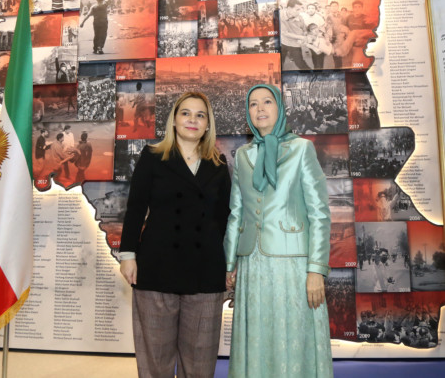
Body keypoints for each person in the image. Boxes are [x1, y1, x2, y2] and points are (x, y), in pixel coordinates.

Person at [119, 92, 231, 378]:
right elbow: (135, 209)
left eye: (200, 115)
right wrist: (128, 255)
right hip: (157, 267)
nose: (192, 120)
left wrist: (227, 265)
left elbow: (223, 220)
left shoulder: (218, 165)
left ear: (208, 125)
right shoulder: (153, 157)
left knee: (200, 362)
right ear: (174, 120)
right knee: (155, 359)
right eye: (186, 113)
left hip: (205, 273)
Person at [224, 84, 333, 378]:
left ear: (280, 108)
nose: (260, 109)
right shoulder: (243, 155)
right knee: (257, 337)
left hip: (293, 266)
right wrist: (229, 264)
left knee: (293, 335)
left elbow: (319, 214)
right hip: (252, 266)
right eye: (253, 104)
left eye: (267, 102)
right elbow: (236, 214)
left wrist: (316, 270)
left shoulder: (301, 149)